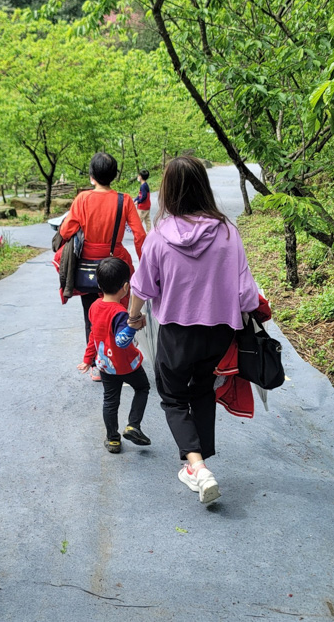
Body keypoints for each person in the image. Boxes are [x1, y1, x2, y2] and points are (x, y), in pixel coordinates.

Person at [127, 156, 260, 506]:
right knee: (202, 390)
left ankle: (197, 467)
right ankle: (200, 462)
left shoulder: (158, 238)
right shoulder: (228, 232)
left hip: (176, 333)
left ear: (167, 191)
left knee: (172, 396)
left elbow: (142, 288)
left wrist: (133, 319)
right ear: (204, 185)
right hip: (219, 332)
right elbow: (246, 293)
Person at [59, 152, 146, 381]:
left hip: (88, 268)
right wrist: (145, 263)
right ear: (114, 176)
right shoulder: (124, 200)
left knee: (93, 315)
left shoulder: (82, 199)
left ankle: (99, 366)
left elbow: (66, 231)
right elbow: (139, 235)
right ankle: (124, 358)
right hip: (115, 263)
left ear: (91, 176)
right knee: (120, 312)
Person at [77, 257, 152, 453]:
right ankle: (133, 425)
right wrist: (132, 326)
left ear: (98, 285)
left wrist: (88, 359)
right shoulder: (120, 313)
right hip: (127, 365)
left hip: (105, 365)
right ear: (126, 287)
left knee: (110, 401)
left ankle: (113, 440)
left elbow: (94, 334)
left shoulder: (94, 307)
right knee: (143, 388)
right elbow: (121, 341)